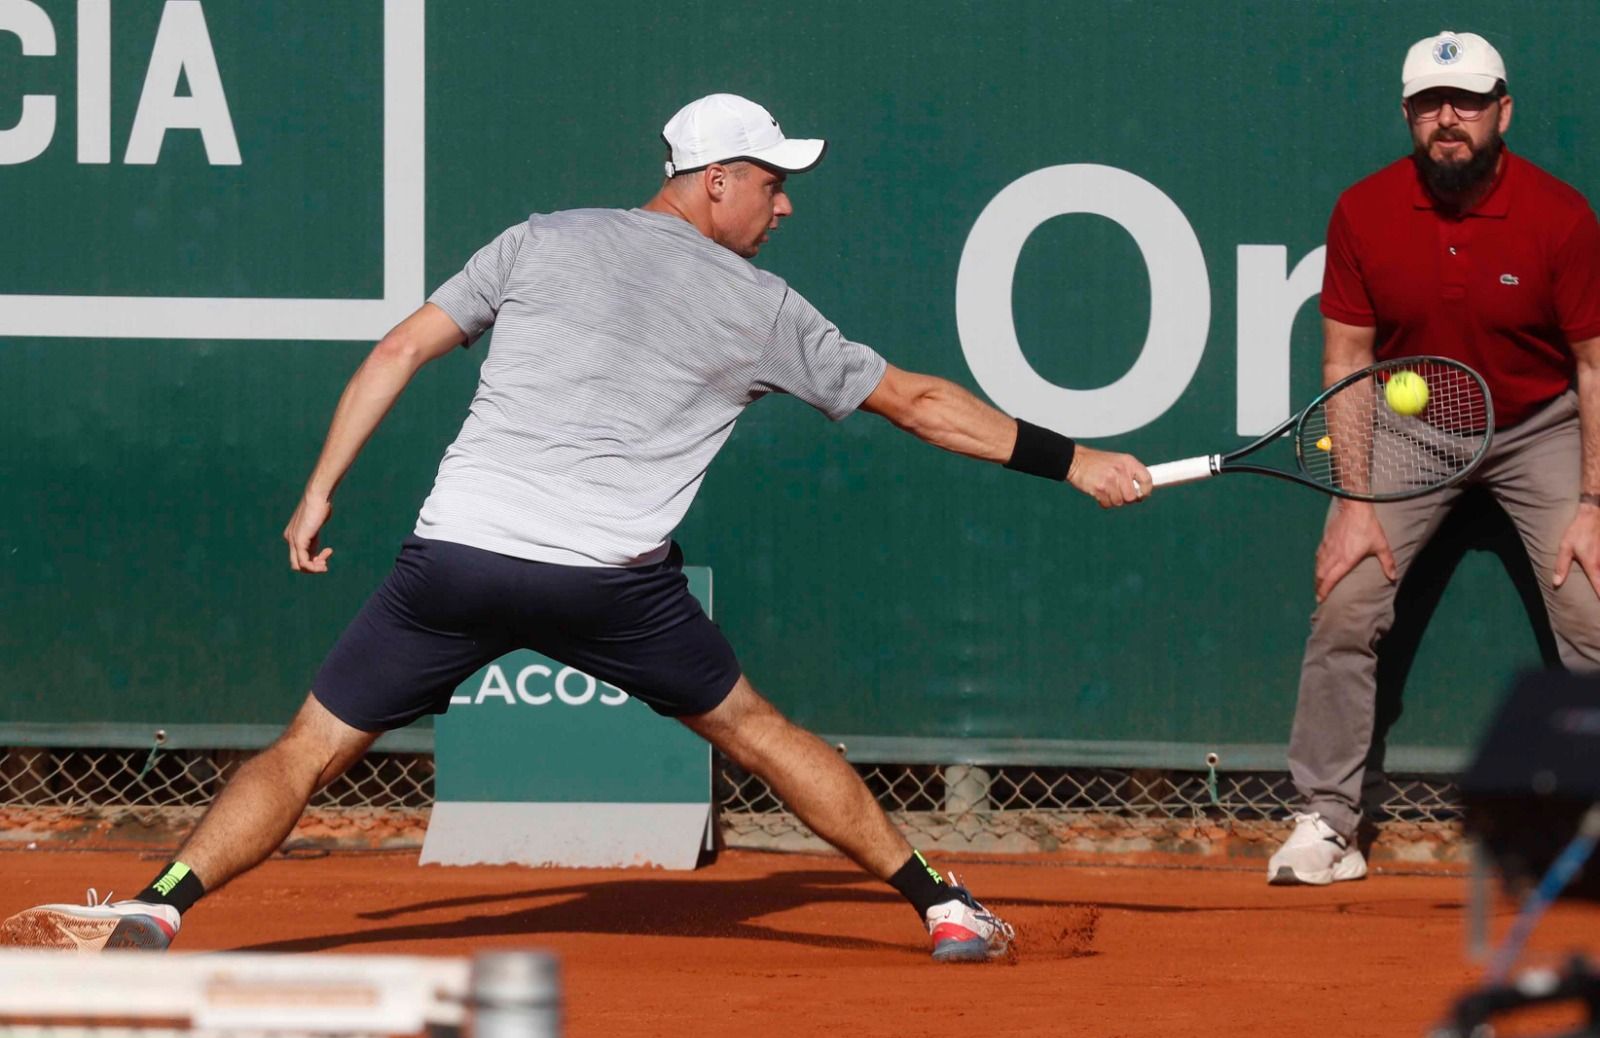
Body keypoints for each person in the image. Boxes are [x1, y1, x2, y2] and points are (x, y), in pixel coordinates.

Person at [1, 93, 1152, 959]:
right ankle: (943, 905)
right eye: (771, 181)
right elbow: (917, 404)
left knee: (307, 751)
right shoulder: (760, 307)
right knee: (754, 729)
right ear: (712, 182)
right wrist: (1076, 461)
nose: (785, 204)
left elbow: (400, 348)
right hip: (607, 583)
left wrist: (319, 489)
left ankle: (159, 910)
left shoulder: (538, 237)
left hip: (454, 559)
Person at [1268, 33, 1600, 885]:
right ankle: (1327, 820)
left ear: (1503, 111)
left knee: (1594, 611)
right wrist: (1355, 499)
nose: (1447, 120)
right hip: (1410, 427)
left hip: (1541, 424)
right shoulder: (1364, 211)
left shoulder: (1561, 216)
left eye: (1467, 101)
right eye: (1428, 104)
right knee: (1346, 605)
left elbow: (1595, 367)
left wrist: (1596, 504)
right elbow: (1346, 360)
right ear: (1408, 114)